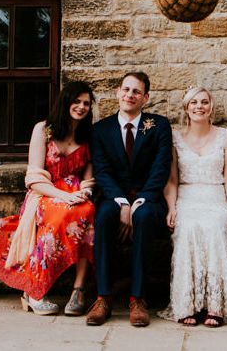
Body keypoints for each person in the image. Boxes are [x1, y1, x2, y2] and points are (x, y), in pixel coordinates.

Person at [0, 81, 96, 316]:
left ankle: (79, 289)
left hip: (75, 193)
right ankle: (34, 291)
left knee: (87, 211)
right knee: (59, 215)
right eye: (76, 101)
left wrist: (84, 192)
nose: (81, 107)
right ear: (66, 101)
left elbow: (88, 177)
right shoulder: (44, 129)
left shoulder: (88, 136)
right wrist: (64, 196)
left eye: (86, 103)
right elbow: (34, 177)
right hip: (45, 192)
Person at [86, 71, 173, 327]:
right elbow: (101, 170)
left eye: (136, 91)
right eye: (126, 89)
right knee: (102, 216)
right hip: (113, 197)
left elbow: (161, 167)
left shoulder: (159, 125)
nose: (129, 95)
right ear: (117, 92)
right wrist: (122, 202)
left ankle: (138, 298)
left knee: (144, 217)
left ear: (145, 97)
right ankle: (103, 297)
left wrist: (140, 200)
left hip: (149, 199)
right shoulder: (100, 130)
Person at [161, 87, 227, 327]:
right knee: (189, 228)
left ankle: (216, 306)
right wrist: (172, 208)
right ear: (186, 108)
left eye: (204, 102)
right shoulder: (174, 138)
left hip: (215, 196)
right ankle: (187, 305)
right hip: (187, 195)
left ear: (211, 107)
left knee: (215, 228)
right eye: (193, 102)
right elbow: (171, 180)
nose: (199, 106)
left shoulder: (226, 136)